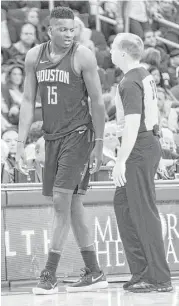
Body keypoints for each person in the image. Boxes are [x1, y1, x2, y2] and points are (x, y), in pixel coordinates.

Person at [15, 6, 107, 295]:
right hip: (52, 137)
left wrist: (100, 143)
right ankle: (94, 272)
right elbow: (29, 101)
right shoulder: (34, 57)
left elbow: (98, 103)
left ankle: (49, 275)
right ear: (50, 30)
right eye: (63, 29)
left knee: (59, 201)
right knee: (74, 207)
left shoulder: (83, 55)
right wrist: (20, 143)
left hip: (79, 134)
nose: (69, 34)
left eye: (73, 29)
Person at [110, 33, 173, 293]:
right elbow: (148, 116)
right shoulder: (144, 75)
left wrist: (120, 161)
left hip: (138, 147)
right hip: (146, 143)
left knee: (143, 212)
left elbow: (135, 124)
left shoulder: (129, 81)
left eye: (113, 48)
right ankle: (142, 271)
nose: (111, 52)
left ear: (123, 53)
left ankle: (159, 277)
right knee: (123, 205)